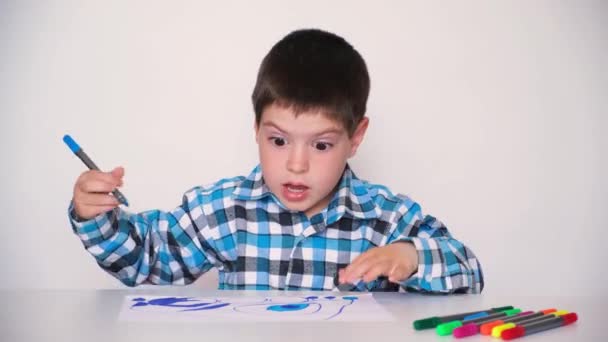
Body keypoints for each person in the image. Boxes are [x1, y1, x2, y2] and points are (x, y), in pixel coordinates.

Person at [68, 28, 484, 293]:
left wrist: (411, 257)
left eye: (321, 145)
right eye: (279, 140)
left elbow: (468, 269)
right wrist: (96, 216)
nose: (296, 165)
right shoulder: (225, 211)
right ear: (256, 129)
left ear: (356, 138)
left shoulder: (386, 218)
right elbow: (146, 259)